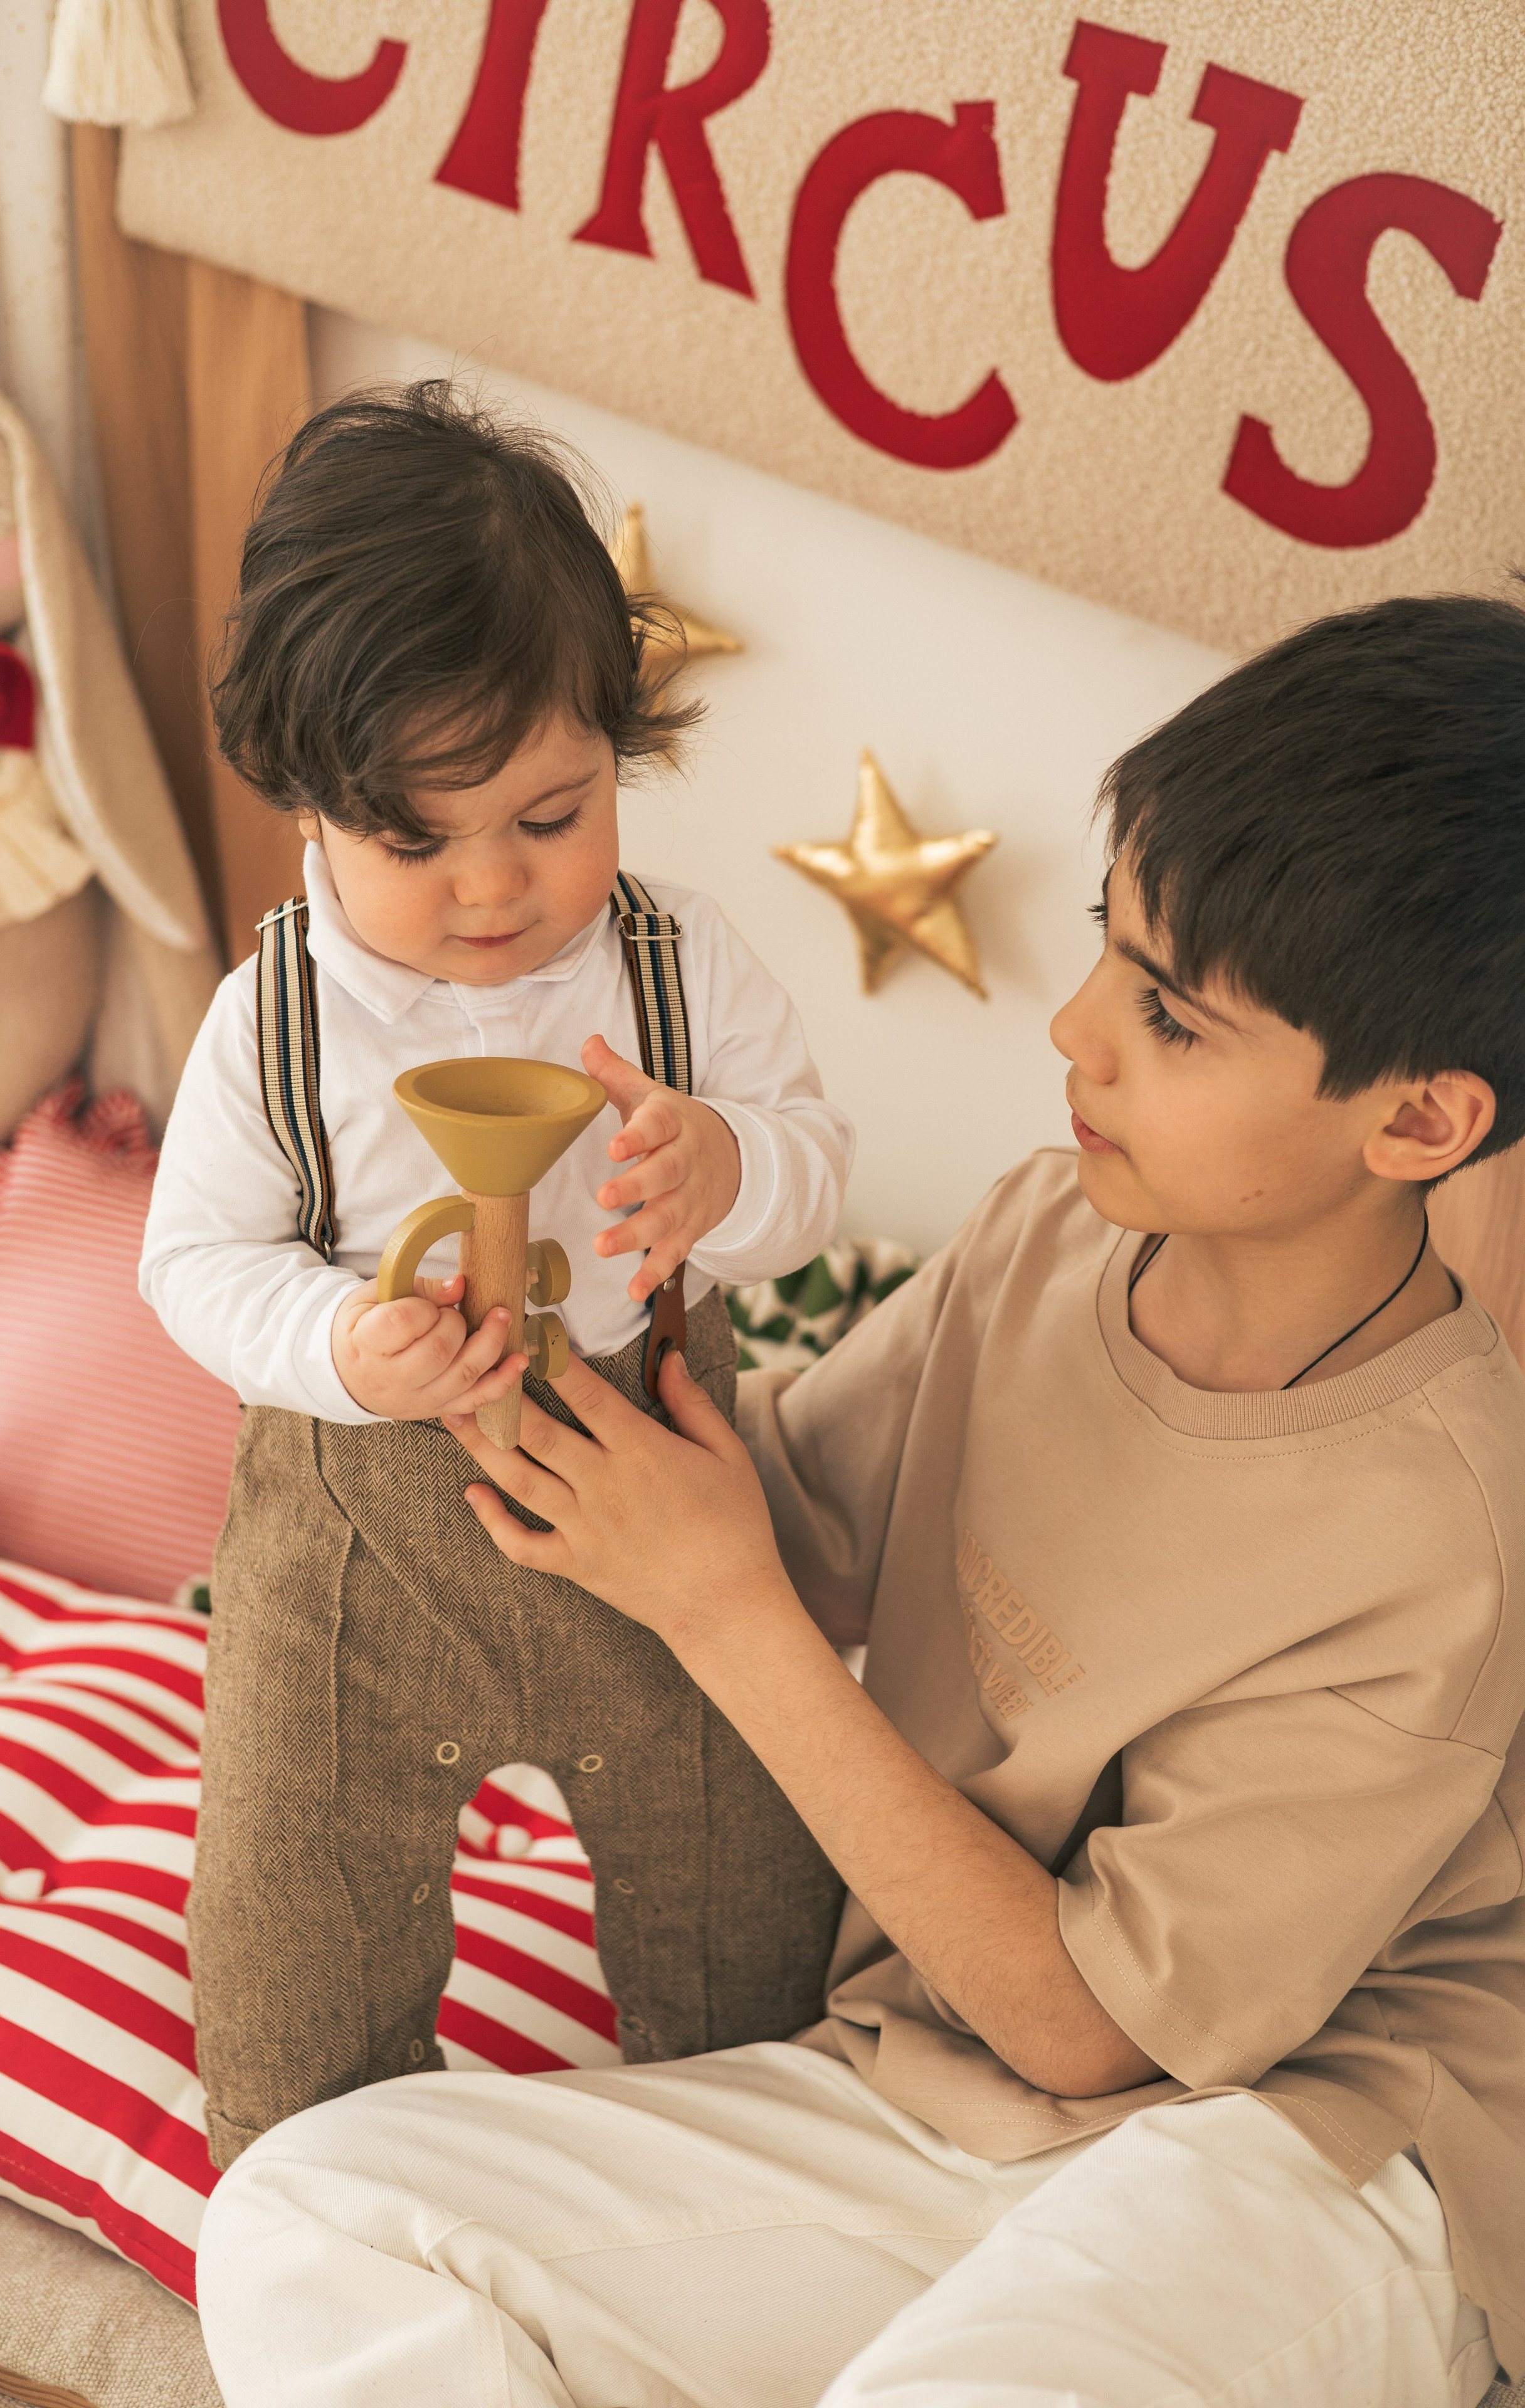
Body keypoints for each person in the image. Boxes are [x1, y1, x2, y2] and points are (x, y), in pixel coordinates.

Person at [193, 592, 1525, 2408]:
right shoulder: (1050, 1232)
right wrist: (477, 1343)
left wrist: (726, 1610)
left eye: (1174, 1017)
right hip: (922, 2089)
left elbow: (1094, 2027)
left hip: (1310, 2155)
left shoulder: (1444, 1527)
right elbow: (785, 1513)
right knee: (310, 2215)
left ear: (1423, 1125)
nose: (1074, 1031)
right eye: (1103, 951)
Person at [140, 382, 853, 2173]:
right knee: (294, 1896)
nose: (491, 892)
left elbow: (813, 1175)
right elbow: (194, 1263)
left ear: (621, 747)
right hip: (355, 1548)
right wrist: (336, 1344)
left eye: (553, 814)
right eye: (417, 841)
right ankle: (312, 2164)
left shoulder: (678, 965)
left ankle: (737, 2147)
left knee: (737, 1871)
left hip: (646, 1509)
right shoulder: (277, 1016)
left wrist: (730, 1169)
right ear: (310, 807)